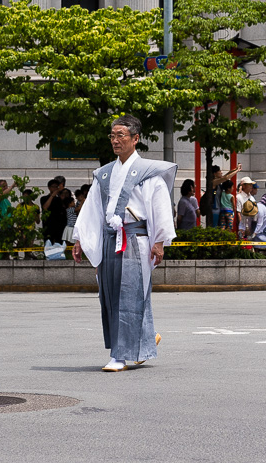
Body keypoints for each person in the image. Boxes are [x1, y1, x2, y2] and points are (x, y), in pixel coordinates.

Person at [73, 115, 175, 372]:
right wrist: (79, 239)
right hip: (110, 239)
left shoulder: (149, 173)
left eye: (121, 135)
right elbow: (92, 209)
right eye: (112, 135)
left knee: (131, 294)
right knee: (111, 295)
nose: (115, 140)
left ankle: (119, 355)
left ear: (135, 138)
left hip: (136, 240)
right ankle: (145, 339)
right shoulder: (104, 174)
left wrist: (159, 242)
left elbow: (160, 207)